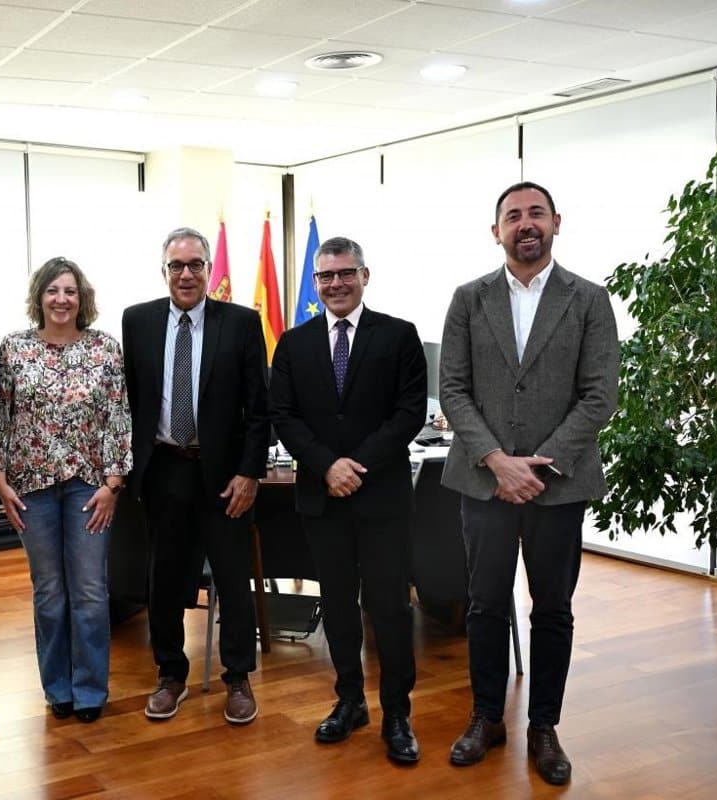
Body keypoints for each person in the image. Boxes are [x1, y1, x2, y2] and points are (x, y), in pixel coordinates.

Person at [440, 182, 619, 785]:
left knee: (554, 610)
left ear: (556, 223)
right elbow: (454, 389)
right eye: (512, 216)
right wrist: (497, 459)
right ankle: (486, 717)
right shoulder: (468, 299)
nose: (525, 224)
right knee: (486, 606)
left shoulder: (589, 300)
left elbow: (600, 395)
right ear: (496, 231)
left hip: (557, 487)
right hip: (484, 483)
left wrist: (537, 463)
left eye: (535, 213)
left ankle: (544, 725)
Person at [269, 236, 426, 762]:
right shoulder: (293, 343)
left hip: (380, 496)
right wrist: (326, 465)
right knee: (336, 605)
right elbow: (284, 415)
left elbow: (408, 414)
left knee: (388, 609)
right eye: (325, 276)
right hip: (322, 497)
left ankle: (398, 714)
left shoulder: (399, 336)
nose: (335, 283)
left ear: (365, 275)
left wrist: (355, 465)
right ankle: (349, 700)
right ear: (316, 283)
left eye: (345, 273)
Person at [120, 226, 269, 725]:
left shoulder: (242, 323)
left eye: (195, 264)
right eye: (176, 266)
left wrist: (250, 473)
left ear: (210, 269)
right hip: (163, 470)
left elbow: (259, 409)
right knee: (165, 579)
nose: (186, 274)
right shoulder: (136, 321)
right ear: (163, 270)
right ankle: (170, 674)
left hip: (225, 477)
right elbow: (132, 402)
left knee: (233, 575)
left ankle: (239, 677)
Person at [0, 257, 132, 723]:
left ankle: (89, 689)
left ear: (81, 298)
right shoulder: (14, 348)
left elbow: (117, 416)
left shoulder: (104, 348)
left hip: (90, 488)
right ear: (39, 297)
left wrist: (113, 483)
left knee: (89, 590)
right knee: (49, 592)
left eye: (69, 291)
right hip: (31, 488)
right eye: (52, 291)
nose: (61, 299)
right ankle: (58, 688)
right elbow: (0, 417)